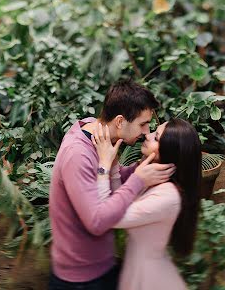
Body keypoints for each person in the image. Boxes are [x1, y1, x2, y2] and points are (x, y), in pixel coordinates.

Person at [48, 79, 175, 290]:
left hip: (102, 266)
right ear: (119, 122)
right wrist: (138, 180)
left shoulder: (95, 131)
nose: (146, 131)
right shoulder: (78, 155)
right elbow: (96, 222)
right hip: (80, 279)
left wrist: (137, 169)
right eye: (142, 124)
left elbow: (107, 184)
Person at [93, 117, 202, 290]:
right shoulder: (154, 179)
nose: (147, 135)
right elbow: (118, 199)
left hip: (151, 280)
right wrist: (113, 163)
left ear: (170, 151)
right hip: (138, 271)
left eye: (156, 137)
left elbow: (110, 217)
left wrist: (103, 166)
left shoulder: (168, 196)